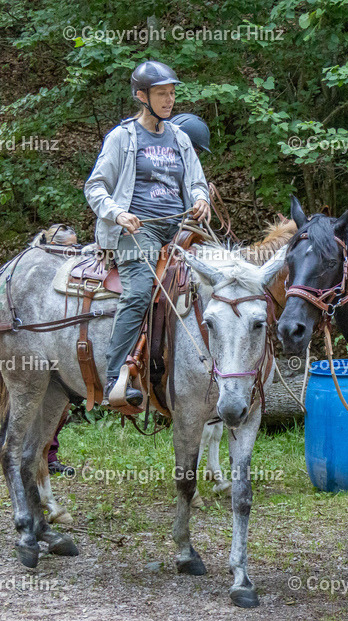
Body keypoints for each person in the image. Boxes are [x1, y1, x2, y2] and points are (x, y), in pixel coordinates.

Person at [84, 60, 211, 406]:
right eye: (161, 94)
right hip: (137, 232)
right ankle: (116, 376)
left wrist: (201, 200)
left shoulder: (181, 138)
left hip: (180, 230)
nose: (169, 100)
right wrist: (118, 214)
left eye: (171, 93)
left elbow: (198, 184)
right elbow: (95, 187)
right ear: (141, 96)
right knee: (140, 289)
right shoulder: (122, 137)